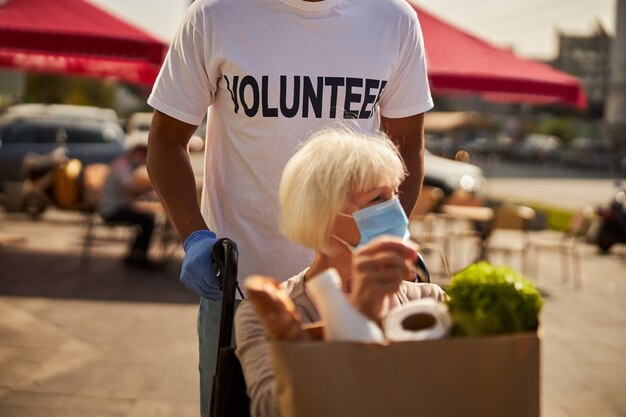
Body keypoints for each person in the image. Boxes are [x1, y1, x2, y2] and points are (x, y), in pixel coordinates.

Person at [146, 0, 433, 414]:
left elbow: (407, 144)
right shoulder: (215, 14)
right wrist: (194, 234)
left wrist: (388, 231)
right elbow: (166, 139)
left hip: (359, 287)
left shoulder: (392, 18)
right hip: (244, 289)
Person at [235, 128, 447, 417]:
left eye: (394, 193)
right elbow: (271, 409)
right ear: (324, 213)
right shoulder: (266, 313)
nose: (396, 209)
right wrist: (357, 320)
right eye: (377, 199)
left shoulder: (429, 299)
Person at [98, 134, 155, 268]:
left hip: (118, 206)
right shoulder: (122, 166)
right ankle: (140, 257)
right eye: (143, 157)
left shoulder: (125, 165)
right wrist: (153, 185)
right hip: (112, 209)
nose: (143, 161)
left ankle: (134, 255)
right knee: (147, 221)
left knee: (145, 219)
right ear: (138, 153)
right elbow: (130, 190)